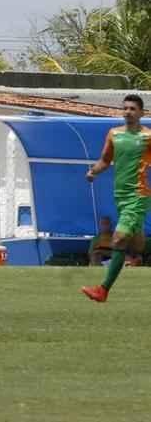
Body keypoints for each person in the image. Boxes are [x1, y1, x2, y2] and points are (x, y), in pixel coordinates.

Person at [82, 94, 150, 302]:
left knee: (118, 239)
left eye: (132, 109)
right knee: (134, 240)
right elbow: (105, 160)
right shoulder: (114, 134)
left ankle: (103, 290)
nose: (128, 112)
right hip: (120, 195)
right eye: (125, 108)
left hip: (139, 195)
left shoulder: (148, 136)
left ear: (141, 113)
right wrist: (93, 172)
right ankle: (137, 256)